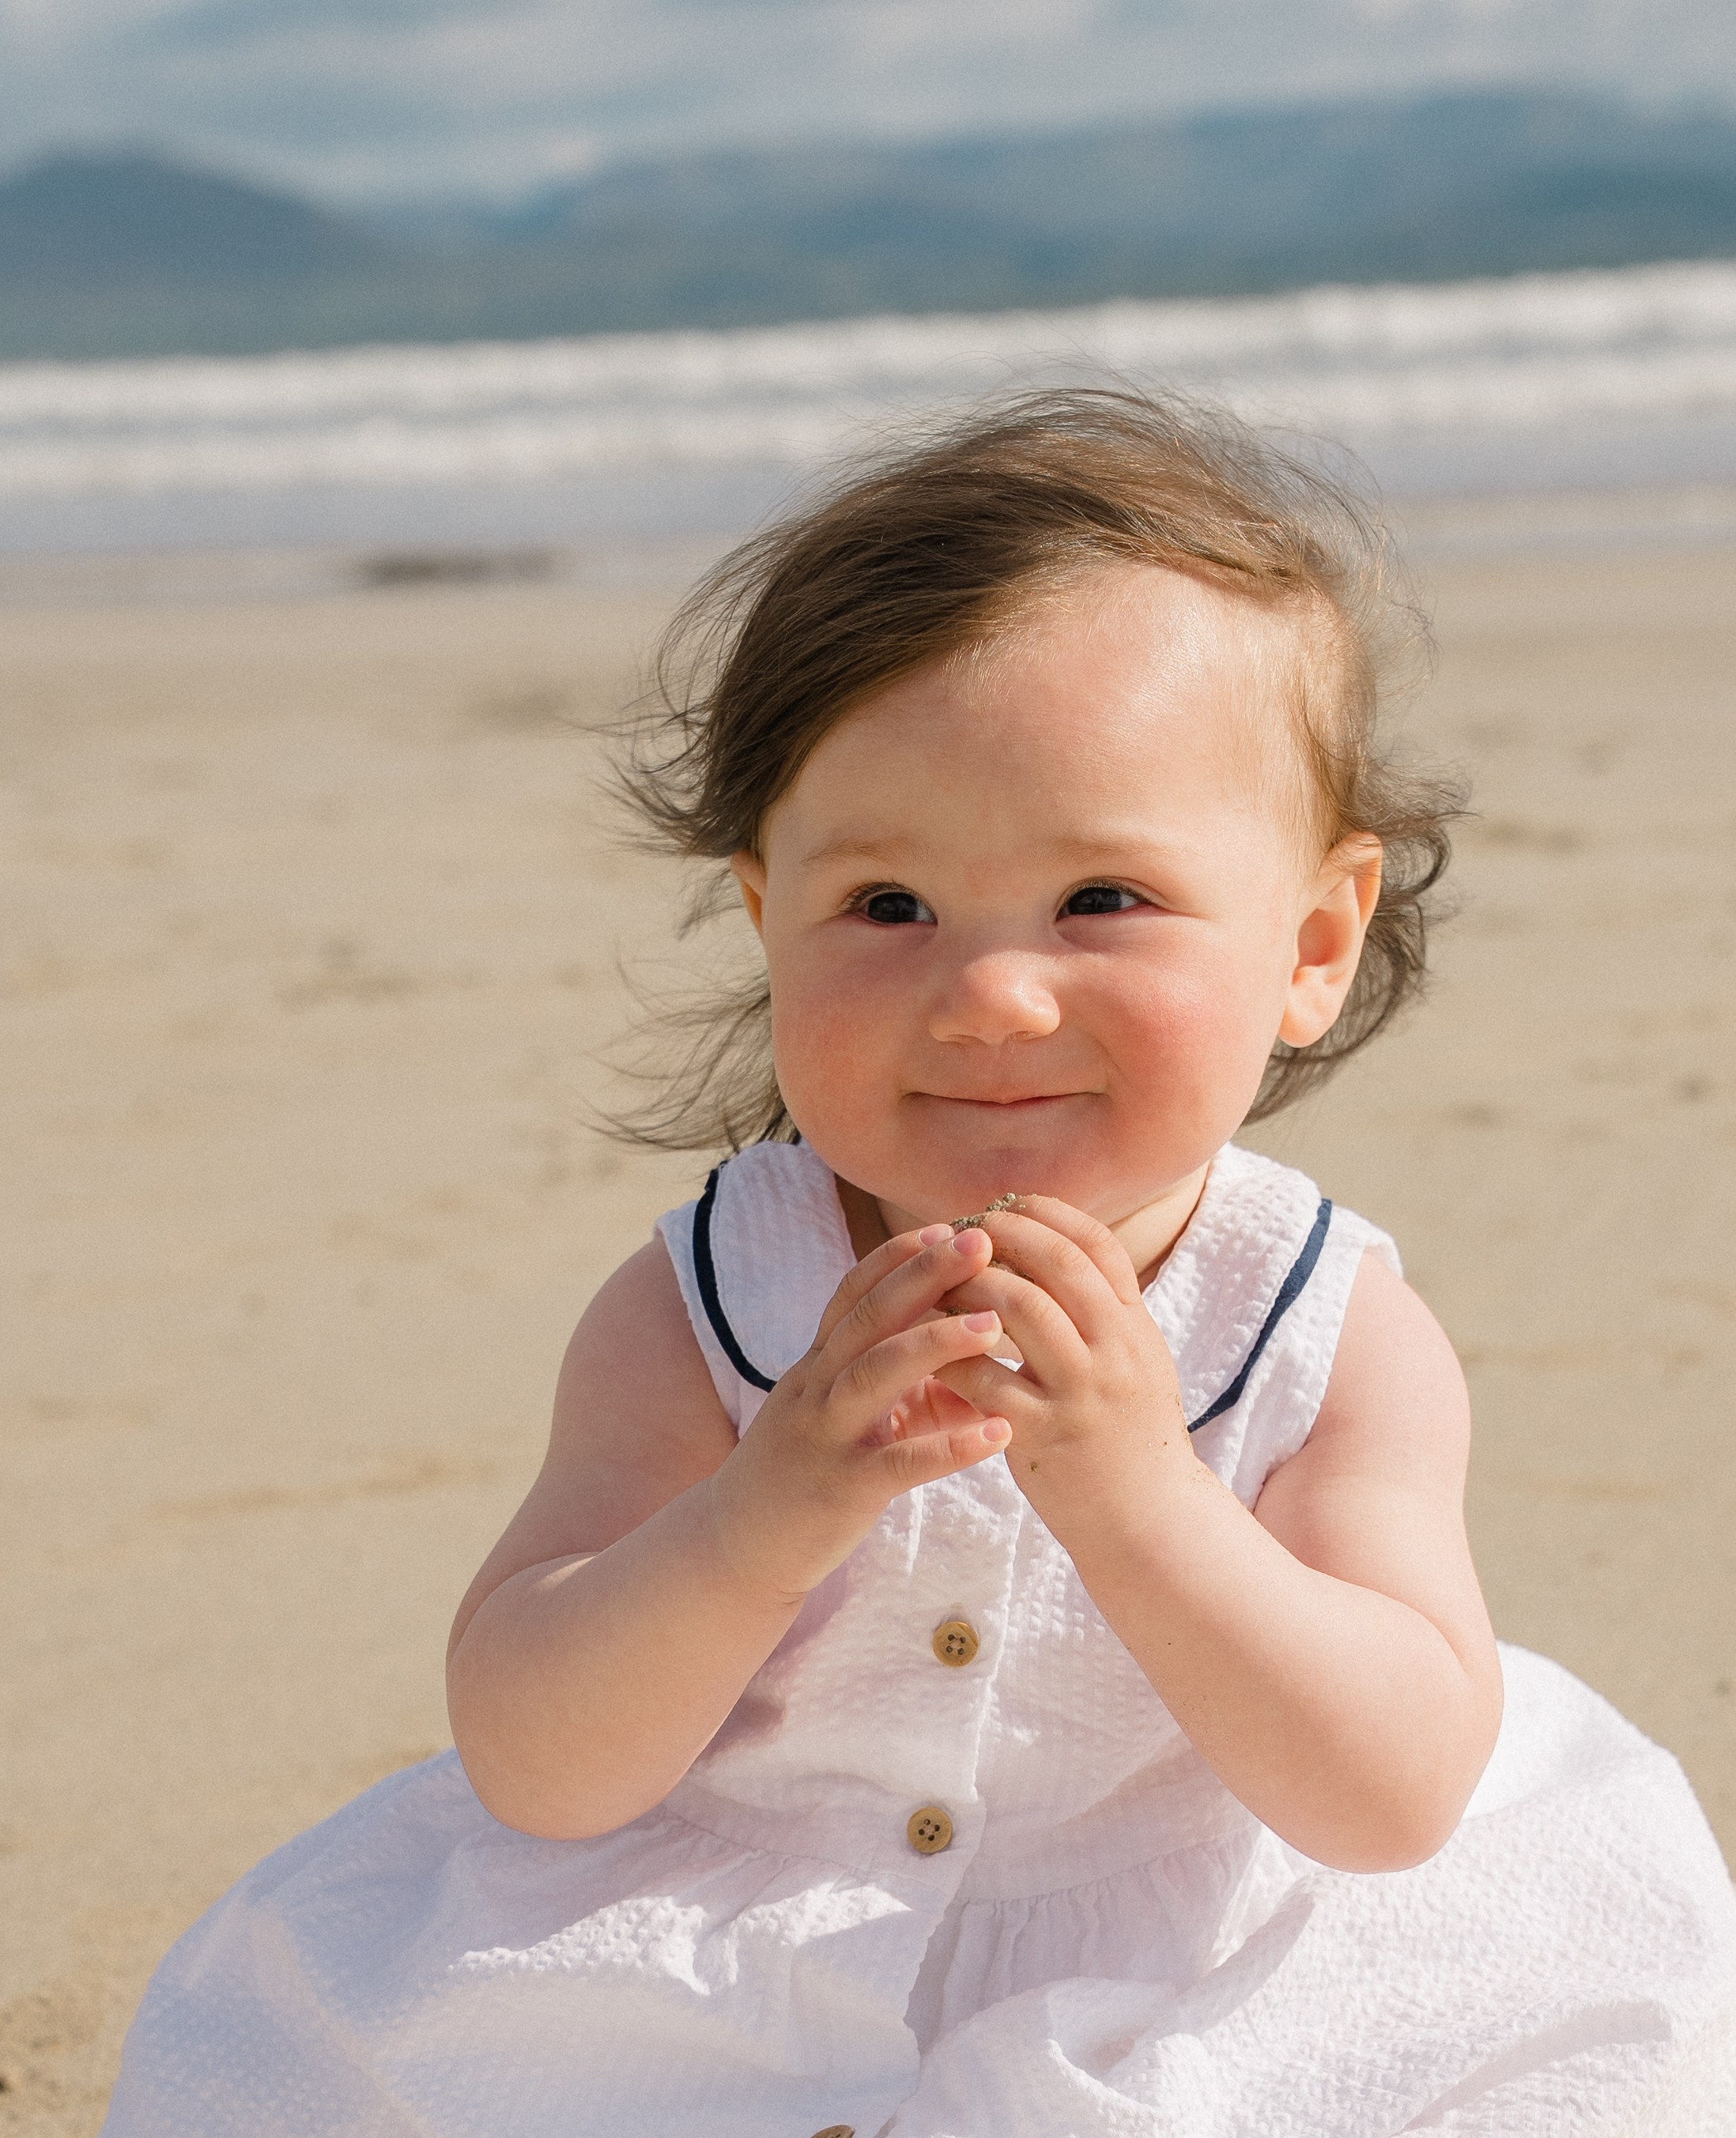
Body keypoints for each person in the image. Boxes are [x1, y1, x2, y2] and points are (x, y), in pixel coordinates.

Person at [103, 392, 1736, 2137]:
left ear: (1313, 944)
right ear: (763, 915)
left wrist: (1137, 1494)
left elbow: (1391, 1792)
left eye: (1104, 897)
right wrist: (763, 1511)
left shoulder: (1323, 1325)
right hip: (721, 1954)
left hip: (1191, 1959)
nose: (991, 997)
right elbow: (536, 1758)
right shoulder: (712, 1304)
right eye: (887, 907)